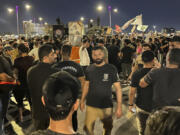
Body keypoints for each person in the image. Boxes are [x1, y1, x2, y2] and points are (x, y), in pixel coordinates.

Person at [80, 46, 122, 135]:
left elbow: (118, 89)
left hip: (106, 106)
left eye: (99, 54)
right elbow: (86, 85)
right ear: (91, 55)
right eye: (94, 55)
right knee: (88, 129)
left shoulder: (111, 69)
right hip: (91, 105)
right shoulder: (89, 69)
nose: (97, 57)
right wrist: (82, 100)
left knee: (107, 129)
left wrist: (119, 107)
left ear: (104, 54)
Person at [52, 45, 85, 131]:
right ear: (71, 53)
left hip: (59, 98)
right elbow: (82, 82)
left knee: (60, 118)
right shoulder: (77, 66)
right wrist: (80, 98)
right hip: (73, 97)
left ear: (61, 52)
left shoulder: (55, 66)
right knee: (73, 117)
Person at [27, 45, 58, 131]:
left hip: (37, 113)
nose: (55, 56)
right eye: (52, 54)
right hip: (52, 115)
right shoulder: (56, 73)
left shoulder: (30, 71)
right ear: (45, 57)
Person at [129, 51, 155, 135]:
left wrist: (130, 104)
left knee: (142, 129)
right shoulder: (159, 72)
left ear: (142, 61)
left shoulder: (136, 73)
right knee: (156, 129)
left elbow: (132, 92)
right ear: (153, 60)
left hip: (141, 105)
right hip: (156, 106)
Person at [13, 44, 34, 122]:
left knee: (20, 101)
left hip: (20, 83)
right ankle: (33, 115)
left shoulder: (17, 60)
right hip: (30, 82)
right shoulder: (31, 59)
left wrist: (16, 79)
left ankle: (21, 117)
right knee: (31, 100)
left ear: (19, 51)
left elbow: (15, 72)